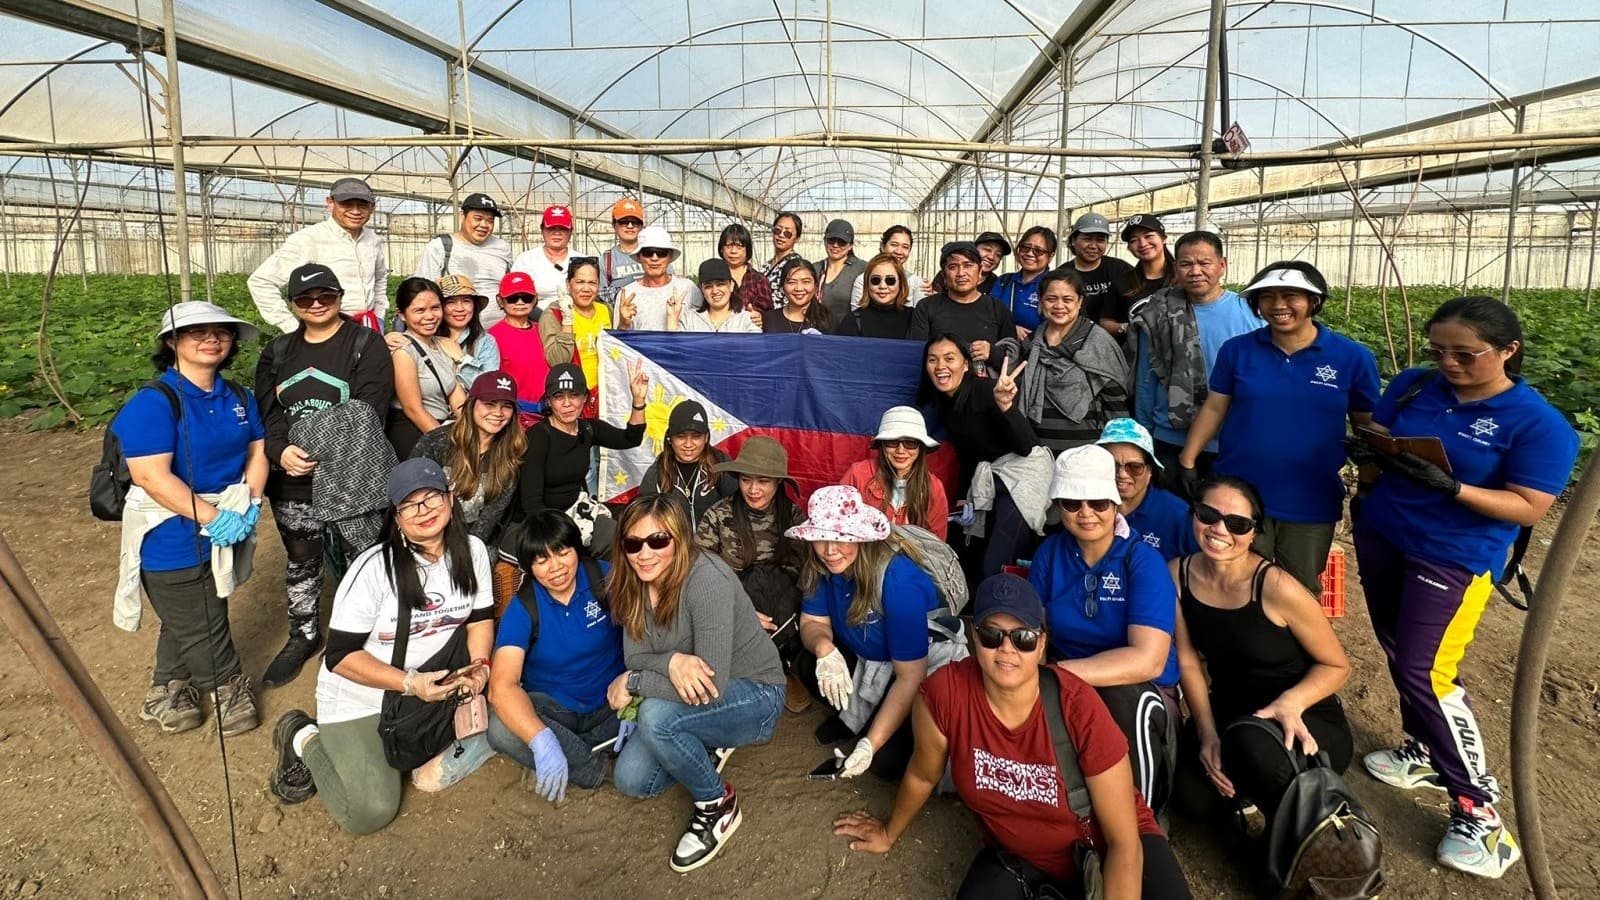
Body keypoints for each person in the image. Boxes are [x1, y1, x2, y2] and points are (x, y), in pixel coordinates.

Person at [1352, 296, 1578, 878]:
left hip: (1453, 556)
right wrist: (1373, 456)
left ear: (1508, 350)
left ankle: (1480, 812)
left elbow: (1529, 506)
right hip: (1385, 532)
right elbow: (1381, 434)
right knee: (1397, 649)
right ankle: (1425, 749)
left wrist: (1453, 488)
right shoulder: (1414, 386)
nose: (1448, 364)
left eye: (1465, 354)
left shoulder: (1537, 424)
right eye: (1439, 351)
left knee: (1426, 671)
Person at [832, 574, 1192, 900]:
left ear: (1041, 644)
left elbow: (1123, 843)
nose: (1007, 648)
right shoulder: (944, 695)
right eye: (992, 635)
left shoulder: (1076, 705)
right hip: (1023, 858)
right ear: (975, 637)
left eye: (1022, 638)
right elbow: (923, 774)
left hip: (1104, 848)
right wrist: (888, 833)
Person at [268, 458, 496, 834]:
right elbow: (340, 656)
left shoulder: (472, 552)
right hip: (365, 695)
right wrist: (409, 683)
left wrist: (480, 666)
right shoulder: (373, 569)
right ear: (396, 517)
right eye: (410, 505)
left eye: (432, 497)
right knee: (370, 812)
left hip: (429, 683)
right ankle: (303, 735)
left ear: (450, 498)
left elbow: (479, 619)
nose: (424, 511)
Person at [605, 495, 786, 872]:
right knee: (632, 780)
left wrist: (635, 682)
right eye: (633, 543)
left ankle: (717, 805)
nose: (644, 553)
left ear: (680, 539)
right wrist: (670, 662)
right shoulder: (635, 580)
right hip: (697, 694)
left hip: (754, 693)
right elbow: (635, 655)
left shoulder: (707, 579)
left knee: (655, 717)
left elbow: (710, 685)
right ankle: (707, 737)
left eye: (658, 540)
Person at [1178, 261, 1380, 594]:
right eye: (1267, 296)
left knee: (1297, 588)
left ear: (1314, 301)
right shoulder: (1238, 351)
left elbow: (1366, 427)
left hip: (1309, 496)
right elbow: (1215, 406)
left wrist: (1369, 482)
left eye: (1290, 295)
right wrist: (1188, 460)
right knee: (1233, 581)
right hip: (1240, 493)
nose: (1278, 305)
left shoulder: (1351, 357)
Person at [114, 301, 266, 736]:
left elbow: (258, 451)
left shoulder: (238, 397)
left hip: (225, 515)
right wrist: (214, 518)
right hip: (170, 528)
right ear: (171, 342)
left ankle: (167, 690)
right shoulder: (154, 402)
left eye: (221, 331)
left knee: (192, 610)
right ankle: (227, 688)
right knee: (202, 617)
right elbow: (150, 476)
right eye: (197, 332)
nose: (212, 339)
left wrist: (251, 503)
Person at [1172, 477, 1353, 836]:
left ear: (1254, 532)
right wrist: (1206, 732)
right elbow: (1188, 660)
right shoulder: (1178, 574)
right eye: (1208, 515)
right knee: (1191, 798)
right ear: (1194, 514)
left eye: (1237, 524)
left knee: (1254, 749)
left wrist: (1292, 702)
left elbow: (1337, 665)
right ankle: (1249, 789)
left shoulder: (1277, 587)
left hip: (1302, 714)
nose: (1219, 529)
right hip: (1231, 709)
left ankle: (1307, 826)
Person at [254, 263, 396, 688]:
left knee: (361, 558)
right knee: (302, 559)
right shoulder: (278, 352)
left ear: (339, 297)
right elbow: (268, 413)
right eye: (305, 298)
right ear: (293, 305)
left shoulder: (365, 344)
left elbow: (368, 412)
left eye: (325, 296)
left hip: (353, 476)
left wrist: (304, 441)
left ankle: (360, 637)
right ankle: (304, 634)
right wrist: (280, 450)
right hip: (293, 478)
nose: (316, 304)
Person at [1029, 444, 1180, 818]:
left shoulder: (1142, 561)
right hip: (1069, 675)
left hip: (1141, 688)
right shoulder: (1050, 553)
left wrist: (1057, 674)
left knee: (1124, 699)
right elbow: (1036, 630)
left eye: (1097, 502)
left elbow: (1148, 660)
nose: (1085, 513)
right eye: (1072, 503)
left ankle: (1142, 822)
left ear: (1115, 504)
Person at [791, 486, 946, 780]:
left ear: (860, 536)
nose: (829, 550)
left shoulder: (898, 579)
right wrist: (825, 649)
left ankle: (864, 725)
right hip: (867, 655)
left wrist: (869, 744)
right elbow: (812, 622)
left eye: (840, 538)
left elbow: (911, 675)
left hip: (912, 666)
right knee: (809, 663)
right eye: (821, 538)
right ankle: (858, 716)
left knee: (888, 762)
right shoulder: (820, 564)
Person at [487, 510, 624, 803]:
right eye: (541, 560)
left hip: (614, 704)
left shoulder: (605, 577)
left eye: (562, 552)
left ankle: (577, 751)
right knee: (500, 727)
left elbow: (649, 632)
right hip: (558, 712)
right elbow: (501, 686)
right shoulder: (523, 608)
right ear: (529, 567)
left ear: (577, 548)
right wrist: (542, 740)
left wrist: (635, 686)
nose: (556, 567)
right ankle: (594, 768)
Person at [694, 437, 809, 712]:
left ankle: (781, 666)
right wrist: (739, 611)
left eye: (763, 481)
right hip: (731, 603)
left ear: (777, 483)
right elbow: (699, 576)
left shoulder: (793, 516)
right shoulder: (718, 516)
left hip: (781, 611)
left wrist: (784, 608)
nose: (753, 489)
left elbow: (803, 571)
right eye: (746, 480)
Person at [1130, 231, 1259, 474]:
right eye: (1186, 264)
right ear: (1176, 269)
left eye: (1204, 263)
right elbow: (1146, 379)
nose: (1195, 271)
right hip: (1169, 437)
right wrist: (1143, 437)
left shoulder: (1250, 314)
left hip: (1230, 438)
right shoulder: (1158, 313)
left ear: (1222, 265)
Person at [920, 335, 1040, 579]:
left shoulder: (986, 390)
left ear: (966, 364)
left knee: (995, 564)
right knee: (966, 553)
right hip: (988, 479)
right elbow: (968, 454)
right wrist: (963, 496)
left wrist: (1006, 406)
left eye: (949, 358)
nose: (940, 366)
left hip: (1023, 476)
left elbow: (1027, 446)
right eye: (933, 359)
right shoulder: (945, 403)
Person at [519, 362, 648, 554]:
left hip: (577, 511)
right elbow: (531, 503)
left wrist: (638, 401)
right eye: (558, 396)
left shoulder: (588, 428)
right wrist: (560, 536)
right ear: (549, 401)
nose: (567, 403)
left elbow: (631, 438)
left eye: (574, 395)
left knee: (624, 539)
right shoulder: (538, 437)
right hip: (545, 520)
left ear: (585, 398)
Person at [248, 177, 388, 333]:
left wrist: (379, 315)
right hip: (328, 329)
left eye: (363, 205)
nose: (355, 211)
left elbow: (379, 278)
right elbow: (261, 281)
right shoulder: (310, 239)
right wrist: (292, 327)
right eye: (347, 204)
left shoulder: (372, 239)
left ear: (372, 207)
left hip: (370, 325)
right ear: (330, 203)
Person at [1019, 269, 1129, 454]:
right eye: (1051, 299)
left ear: (1080, 302)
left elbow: (1116, 405)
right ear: (1040, 301)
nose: (1059, 305)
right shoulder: (1031, 344)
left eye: (1067, 299)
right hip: (1038, 453)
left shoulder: (1098, 342)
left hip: (1087, 453)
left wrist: (1116, 452)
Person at [410, 370, 525, 544]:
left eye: (506, 406)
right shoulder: (437, 441)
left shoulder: (510, 453)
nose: (498, 413)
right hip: (427, 534)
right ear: (472, 404)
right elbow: (411, 497)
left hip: (475, 541)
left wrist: (468, 550)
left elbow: (491, 518)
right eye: (490, 404)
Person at [839, 405, 948, 538]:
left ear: (920, 448)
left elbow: (935, 542)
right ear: (882, 445)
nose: (901, 450)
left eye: (910, 443)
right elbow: (839, 527)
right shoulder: (857, 474)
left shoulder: (934, 487)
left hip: (912, 552)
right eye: (892, 442)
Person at [908, 242, 1017, 374]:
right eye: (953, 267)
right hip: (938, 382)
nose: (961, 273)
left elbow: (1014, 358)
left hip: (985, 385)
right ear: (944, 275)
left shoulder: (998, 309)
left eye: (968, 265)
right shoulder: (926, 307)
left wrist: (992, 353)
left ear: (980, 270)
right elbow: (917, 353)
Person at [387, 277, 467, 458]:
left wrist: (471, 435)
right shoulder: (403, 350)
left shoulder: (443, 345)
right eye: (419, 310)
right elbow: (413, 409)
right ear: (402, 315)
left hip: (441, 429)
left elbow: (458, 399)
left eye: (435, 308)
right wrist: (447, 447)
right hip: (415, 436)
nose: (430, 316)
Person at [1097, 419, 1197, 561]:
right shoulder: (1083, 506)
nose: (1122, 474)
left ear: (1150, 470)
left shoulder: (1178, 515)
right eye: (1112, 465)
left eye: (1134, 467)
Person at [411, 193, 512, 327]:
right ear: (462, 216)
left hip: (498, 329)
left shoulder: (502, 247)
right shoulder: (441, 246)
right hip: (455, 331)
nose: (484, 225)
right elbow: (422, 292)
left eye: (490, 220)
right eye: (478, 218)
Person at [639, 400, 738, 525]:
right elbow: (642, 519)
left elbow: (740, 512)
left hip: (715, 537)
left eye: (696, 436)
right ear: (669, 438)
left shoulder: (721, 465)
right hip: (674, 538)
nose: (688, 444)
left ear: (706, 437)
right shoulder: (657, 471)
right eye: (681, 436)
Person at [537, 258, 612, 405]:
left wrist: (624, 323)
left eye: (592, 283)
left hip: (606, 395)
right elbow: (557, 361)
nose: (586, 289)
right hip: (574, 397)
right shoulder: (554, 313)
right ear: (568, 284)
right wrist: (567, 320)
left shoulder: (606, 309)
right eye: (580, 282)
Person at [1056, 213, 1136, 340]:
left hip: (1118, 342)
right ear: (1073, 241)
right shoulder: (1062, 275)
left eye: (1100, 240)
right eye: (1087, 239)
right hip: (1076, 342)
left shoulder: (1120, 269)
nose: (1093, 246)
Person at [415, 274, 500, 392]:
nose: (459, 308)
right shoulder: (423, 337)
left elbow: (488, 388)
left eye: (466, 301)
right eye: (450, 302)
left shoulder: (485, 341)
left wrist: (461, 359)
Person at [488, 271, 550, 426]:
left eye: (526, 297)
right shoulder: (492, 336)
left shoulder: (544, 330)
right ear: (500, 301)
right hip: (516, 415)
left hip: (549, 411)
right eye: (513, 298)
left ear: (535, 299)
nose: (520, 302)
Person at [616, 226, 702, 331]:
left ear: (670, 256)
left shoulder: (688, 289)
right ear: (639, 256)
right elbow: (617, 339)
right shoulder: (626, 294)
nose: (654, 258)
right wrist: (623, 325)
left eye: (661, 253)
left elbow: (703, 330)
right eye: (648, 252)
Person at [510, 205, 576, 313]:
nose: (557, 233)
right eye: (551, 228)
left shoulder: (582, 260)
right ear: (542, 230)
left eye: (563, 228)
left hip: (576, 317)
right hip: (535, 317)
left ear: (570, 231)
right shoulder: (526, 260)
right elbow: (515, 297)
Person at [992, 225, 1056, 337]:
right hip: (1001, 345)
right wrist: (1011, 329)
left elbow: (1059, 325)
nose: (1030, 254)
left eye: (1038, 251)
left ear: (1050, 256)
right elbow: (989, 316)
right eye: (1025, 248)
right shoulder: (1004, 281)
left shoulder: (1054, 285)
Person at [834, 253, 914, 340]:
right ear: (867, 284)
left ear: (901, 283)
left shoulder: (914, 317)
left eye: (890, 280)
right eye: (875, 280)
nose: (882, 286)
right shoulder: (852, 320)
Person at [849, 225, 926, 308]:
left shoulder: (916, 283)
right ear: (883, 246)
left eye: (905, 247)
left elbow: (921, 313)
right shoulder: (863, 280)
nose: (899, 251)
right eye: (894, 245)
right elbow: (857, 312)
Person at [675, 259, 760, 333]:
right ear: (701, 289)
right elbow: (676, 345)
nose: (715, 291)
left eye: (720, 284)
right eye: (708, 286)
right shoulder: (689, 319)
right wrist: (672, 318)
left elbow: (755, 345)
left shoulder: (746, 320)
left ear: (731, 285)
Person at [814, 218, 868, 322]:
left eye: (841, 242)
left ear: (850, 245)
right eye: (831, 240)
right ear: (824, 241)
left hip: (847, 330)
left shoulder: (862, 269)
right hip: (816, 329)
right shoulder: (814, 269)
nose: (835, 245)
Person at [763, 257, 834, 333]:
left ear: (816, 286)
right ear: (782, 287)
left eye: (806, 282)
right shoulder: (770, 318)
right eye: (792, 282)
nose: (799, 288)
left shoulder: (828, 319)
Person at [717, 222, 775, 314]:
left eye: (739, 246)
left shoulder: (759, 280)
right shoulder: (714, 277)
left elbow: (769, 313)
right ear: (721, 249)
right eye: (728, 246)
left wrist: (759, 316)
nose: (733, 251)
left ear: (747, 250)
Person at [1119, 214, 1174, 308]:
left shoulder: (1183, 277)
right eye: (1134, 240)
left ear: (1163, 239)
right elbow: (1108, 316)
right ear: (1129, 247)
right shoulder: (1122, 282)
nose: (1142, 244)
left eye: (1148, 236)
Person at [599, 197, 647, 305]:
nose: (630, 226)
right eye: (623, 222)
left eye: (635, 222)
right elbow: (601, 299)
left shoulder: (656, 254)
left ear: (641, 226)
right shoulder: (606, 260)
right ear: (614, 225)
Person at [763, 211, 805, 303]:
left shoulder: (796, 265)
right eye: (777, 230)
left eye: (787, 233)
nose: (781, 235)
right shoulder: (766, 265)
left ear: (797, 238)